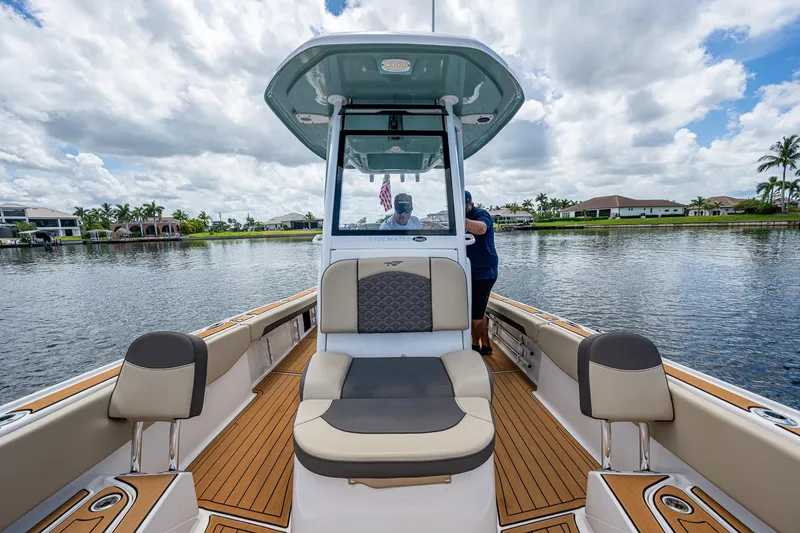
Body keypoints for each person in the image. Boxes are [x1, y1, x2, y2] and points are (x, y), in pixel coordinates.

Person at [465, 191, 498, 356]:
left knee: (475, 314)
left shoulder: (481, 214)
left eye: (462, 205)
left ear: (470, 204)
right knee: (478, 309)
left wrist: (458, 220)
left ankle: (474, 348)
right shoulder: (463, 219)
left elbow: (482, 229)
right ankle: (486, 346)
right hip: (470, 271)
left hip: (485, 272)